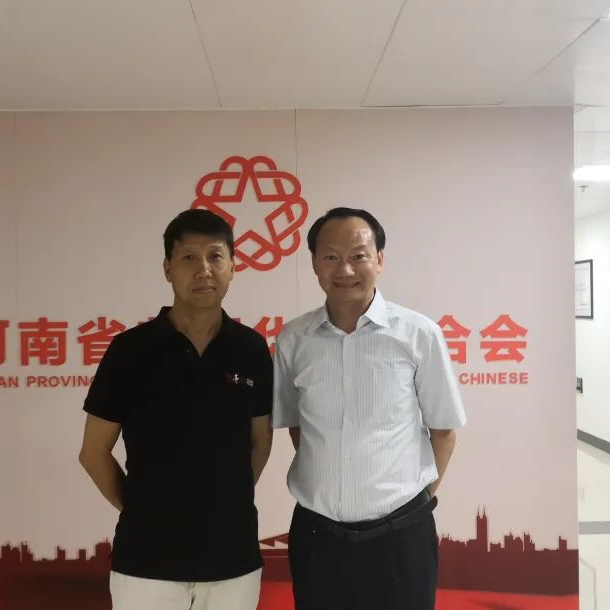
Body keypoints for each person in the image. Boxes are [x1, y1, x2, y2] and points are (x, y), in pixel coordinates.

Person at [272, 207, 467, 610]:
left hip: (401, 540)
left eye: (358, 255)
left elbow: (444, 430)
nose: (345, 269)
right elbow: (298, 426)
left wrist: (410, 501)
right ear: (314, 264)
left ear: (379, 259)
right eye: (331, 256)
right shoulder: (294, 339)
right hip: (318, 538)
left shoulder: (418, 334)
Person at [79, 209, 273, 610]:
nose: (204, 270)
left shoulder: (250, 349)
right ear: (167, 269)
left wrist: (222, 500)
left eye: (215, 256)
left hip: (232, 561)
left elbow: (260, 441)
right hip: (146, 564)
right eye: (189, 258)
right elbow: (93, 452)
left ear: (233, 266)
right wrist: (144, 508)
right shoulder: (130, 350)